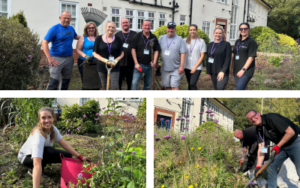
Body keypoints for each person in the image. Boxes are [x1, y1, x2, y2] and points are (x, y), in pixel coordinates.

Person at [17, 107, 89, 187]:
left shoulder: (53, 129)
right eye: (43, 118)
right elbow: (37, 164)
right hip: (26, 157)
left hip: (43, 153)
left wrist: (80, 157)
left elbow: (65, 145)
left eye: (49, 117)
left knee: (68, 156)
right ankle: (32, 170)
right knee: (49, 151)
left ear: (53, 118)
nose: (47, 120)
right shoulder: (39, 136)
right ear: (39, 120)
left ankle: (66, 173)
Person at [245, 110, 300, 188]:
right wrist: (258, 166)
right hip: (283, 147)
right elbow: (261, 148)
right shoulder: (259, 131)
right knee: (271, 167)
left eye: (254, 116)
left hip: (295, 142)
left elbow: (290, 132)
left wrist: (277, 146)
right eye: (250, 119)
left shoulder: (271, 118)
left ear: (258, 113)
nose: (253, 119)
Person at [42, 11, 82, 90]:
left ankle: (62, 100)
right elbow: (44, 43)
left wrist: (88, 37)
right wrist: (49, 58)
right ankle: (46, 101)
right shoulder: (54, 29)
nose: (66, 20)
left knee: (65, 82)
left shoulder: (71, 29)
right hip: (56, 59)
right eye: (65, 18)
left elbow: (77, 36)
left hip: (69, 59)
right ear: (60, 18)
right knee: (53, 82)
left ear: (71, 19)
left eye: (68, 18)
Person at [93, 21, 124, 90]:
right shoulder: (99, 38)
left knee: (115, 86)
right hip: (102, 65)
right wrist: (105, 60)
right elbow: (94, 53)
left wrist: (116, 60)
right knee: (104, 86)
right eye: (109, 27)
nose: (111, 29)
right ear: (105, 28)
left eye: (113, 27)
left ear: (115, 30)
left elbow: (122, 53)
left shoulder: (118, 39)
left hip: (114, 65)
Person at [131, 20, 160, 90]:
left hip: (150, 66)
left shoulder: (153, 37)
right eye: (145, 25)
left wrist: (155, 61)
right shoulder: (137, 36)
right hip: (139, 65)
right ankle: (134, 98)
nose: (147, 27)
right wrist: (136, 63)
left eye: (148, 25)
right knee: (134, 83)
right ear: (142, 26)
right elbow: (133, 49)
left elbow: (157, 50)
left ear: (151, 26)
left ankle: (145, 99)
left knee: (148, 84)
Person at [159, 22, 187, 90]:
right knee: (167, 86)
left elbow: (183, 53)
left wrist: (182, 66)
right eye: (169, 28)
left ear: (175, 29)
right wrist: (156, 62)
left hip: (176, 68)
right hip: (165, 68)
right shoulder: (161, 38)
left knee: (174, 86)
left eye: (172, 28)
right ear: (166, 29)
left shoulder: (180, 39)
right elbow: (157, 51)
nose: (170, 30)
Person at [231, 23, 257, 90]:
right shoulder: (237, 42)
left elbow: (251, 57)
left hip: (246, 71)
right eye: (241, 29)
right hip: (237, 69)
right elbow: (234, 55)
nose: (243, 30)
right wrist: (232, 68)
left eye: (245, 28)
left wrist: (243, 70)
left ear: (249, 29)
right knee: (241, 88)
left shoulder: (251, 42)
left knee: (239, 89)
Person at [206, 25, 232, 90]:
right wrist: (208, 71)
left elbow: (228, 59)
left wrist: (223, 71)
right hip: (212, 71)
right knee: (216, 88)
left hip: (222, 71)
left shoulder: (226, 44)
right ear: (213, 34)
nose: (218, 35)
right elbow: (208, 58)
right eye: (216, 33)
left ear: (223, 34)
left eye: (220, 33)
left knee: (220, 88)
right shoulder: (210, 44)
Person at [76, 22, 99, 89]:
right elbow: (78, 50)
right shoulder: (83, 38)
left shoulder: (98, 38)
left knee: (96, 81)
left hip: (96, 63)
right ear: (86, 29)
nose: (91, 29)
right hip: (84, 62)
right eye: (89, 28)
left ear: (95, 29)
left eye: (93, 28)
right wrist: (85, 56)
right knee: (86, 81)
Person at [115, 18, 137, 90]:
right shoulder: (117, 35)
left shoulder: (135, 34)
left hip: (131, 63)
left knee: (130, 83)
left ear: (129, 23)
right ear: (121, 24)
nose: (125, 24)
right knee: (118, 83)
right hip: (119, 63)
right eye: (123, 23)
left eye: (126, 22)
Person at [183, 24, 206, 90]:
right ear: (189, 31)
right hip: (187, 66)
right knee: (189, 84)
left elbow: (202, 56)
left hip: (197, 66)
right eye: (191, 30)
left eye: (194, 30)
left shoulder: (201, 41)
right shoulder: (184, 41)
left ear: (196, 31)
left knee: (192, 84)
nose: (192, 31)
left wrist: (195, 67)